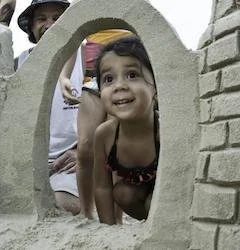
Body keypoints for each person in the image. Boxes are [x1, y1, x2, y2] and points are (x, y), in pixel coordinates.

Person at [16, 0, 83, 215]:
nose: (49, 24)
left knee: (60, 204)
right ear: (31, 27)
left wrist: (86, 152)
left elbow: (114, 111)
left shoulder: (89, 56)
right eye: (42, 19)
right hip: (30, 162)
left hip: (72, 160)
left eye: (57, 18)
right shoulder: (19, 64)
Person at [59, 29, 132, 219]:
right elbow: (73, 38)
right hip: (93, 79)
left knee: (116, 151)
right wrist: (64, 76)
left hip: (122, 80)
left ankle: (116, 219)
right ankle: (86, 213)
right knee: (84, 148)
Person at [93, 37, 159, 225]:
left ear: (156, 85)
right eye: (108, 79)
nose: (119, 85)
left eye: (132, 75)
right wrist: (108, 232)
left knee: (154, 201)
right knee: (122, 192)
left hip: (169, 196)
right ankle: (148, 223)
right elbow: (102, 188)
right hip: (135, 194)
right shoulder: (104, 136)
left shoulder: (163, 131)